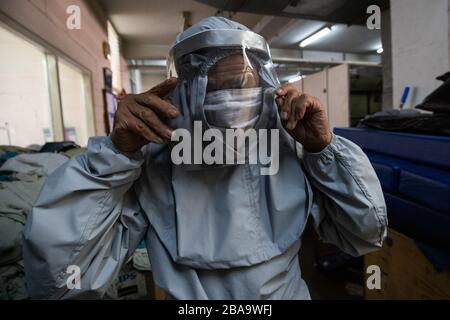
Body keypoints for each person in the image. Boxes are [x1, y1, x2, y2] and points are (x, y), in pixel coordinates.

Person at [23, 16, 387, 299]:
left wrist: (323, 149)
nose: (229, 100)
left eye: (240, 86)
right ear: (184, 89)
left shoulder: (288, 144)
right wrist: (115, 157)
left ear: (262, 84)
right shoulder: (155, 159)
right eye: (214, 88)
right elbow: (58, 282)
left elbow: (365, 234)